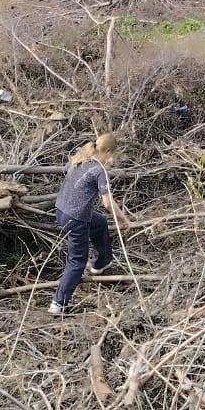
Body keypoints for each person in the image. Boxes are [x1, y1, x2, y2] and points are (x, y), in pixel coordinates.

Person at [49, 132, 130, 315]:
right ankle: (58, 303)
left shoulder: (79, 157)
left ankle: (100, 263)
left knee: (99, 222)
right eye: (113, 154)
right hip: (75, 218)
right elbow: (107, 203)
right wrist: (123, 219)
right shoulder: (99, 170)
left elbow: (65, 171)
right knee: (77, 261)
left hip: (61, 210)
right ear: (108, 151)